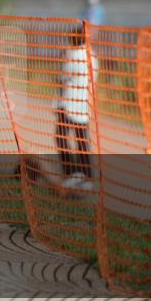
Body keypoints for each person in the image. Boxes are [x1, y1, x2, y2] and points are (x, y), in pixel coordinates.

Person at [56, 25, 98, 192]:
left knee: (61, 138)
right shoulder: (92, 56)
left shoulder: (73, 55)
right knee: (82, 141)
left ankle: (71, 173)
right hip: (84, 104)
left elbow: (62, 78)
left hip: (68, 104)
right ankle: (87, 175)